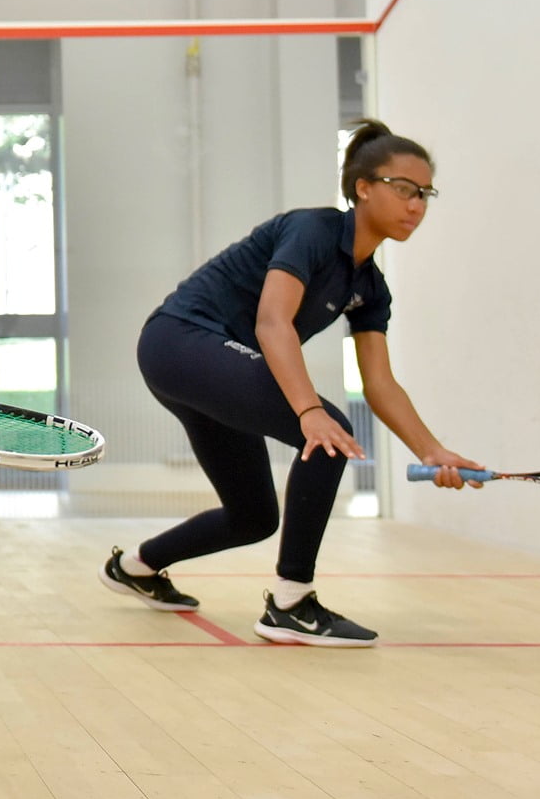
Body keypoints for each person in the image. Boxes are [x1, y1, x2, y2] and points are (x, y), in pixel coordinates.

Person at [98, 120, 484, 646]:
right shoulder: (314, 230)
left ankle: (137, 567)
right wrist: (309, 412)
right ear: (363, 187)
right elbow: (272, 322)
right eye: (404, 189)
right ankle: (291, 603)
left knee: (254, 516)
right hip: (179, 340)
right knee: (328, 435)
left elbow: (381, 384)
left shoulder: (370, 287)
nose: (416, 205)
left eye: (425, 194)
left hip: (202, 363)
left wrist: (433, 450)